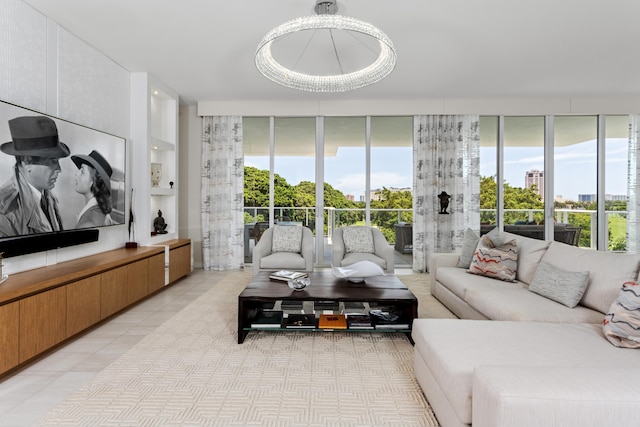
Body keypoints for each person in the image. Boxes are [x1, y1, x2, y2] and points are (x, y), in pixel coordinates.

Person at [0, 116, 70, 237]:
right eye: (52, 161)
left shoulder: (47, 198)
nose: (59, 169)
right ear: (27, 162)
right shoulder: (5, 211)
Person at [71, 150, 114, 228]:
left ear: (94, 181)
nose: (76, 173)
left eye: (82, 171)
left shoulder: (89, 223)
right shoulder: (98, 211)